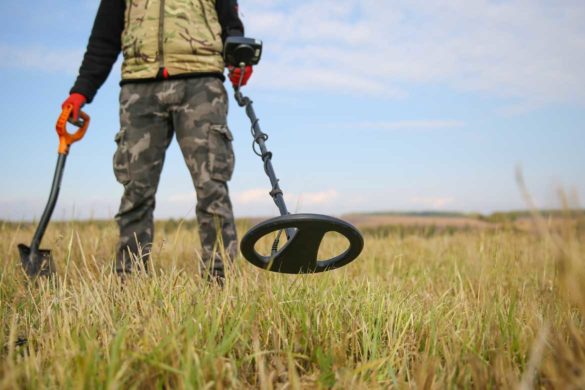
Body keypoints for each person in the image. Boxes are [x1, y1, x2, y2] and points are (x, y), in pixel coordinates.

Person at [62, 0, 253, 281]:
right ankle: (130, 279)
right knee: (135, 190)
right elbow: (102, 41)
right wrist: (81, 91)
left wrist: (239, 60)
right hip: (139, 89)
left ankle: (220, 279)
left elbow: (231, 26)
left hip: (201, 85)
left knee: (212, 185)